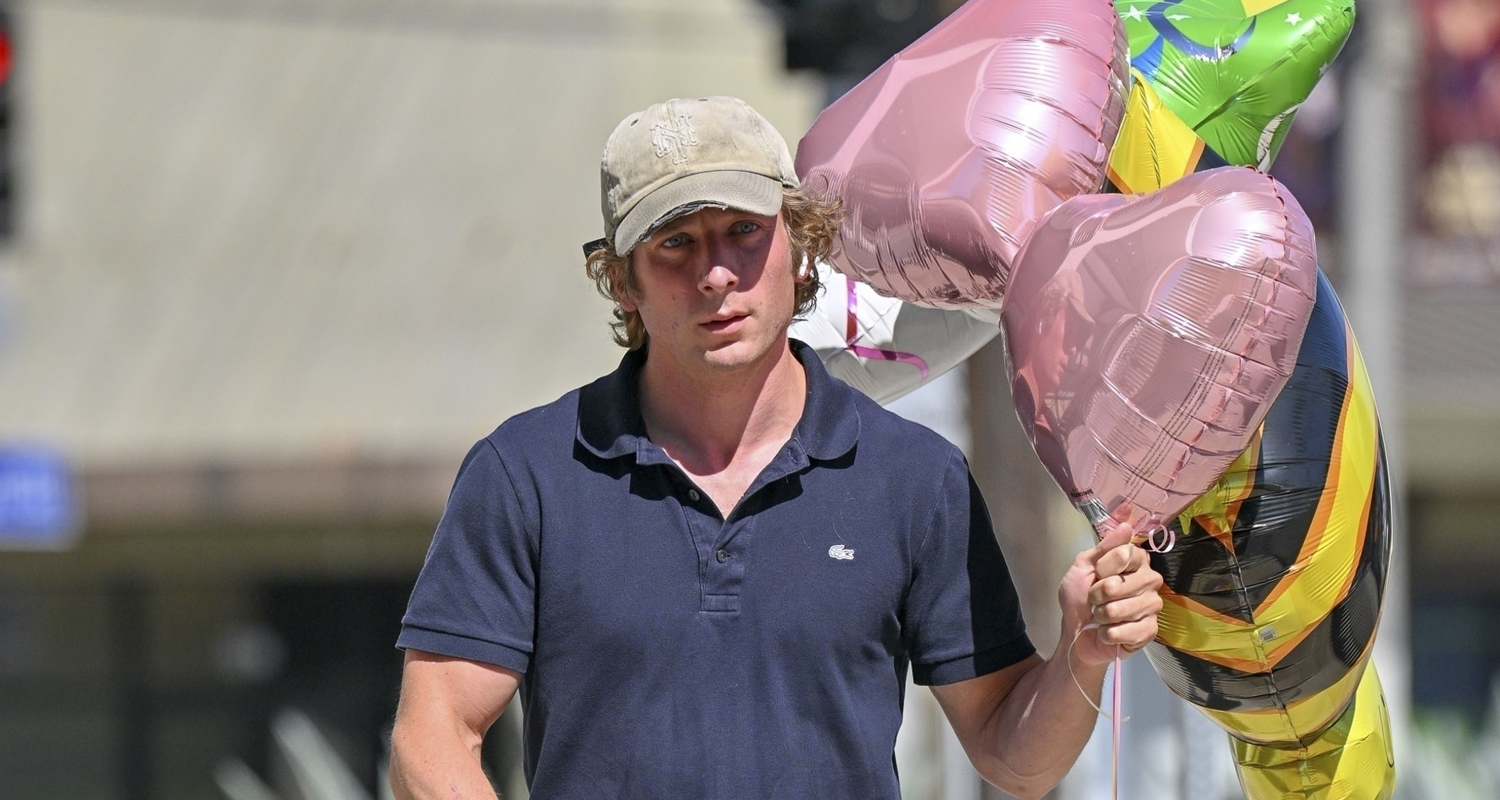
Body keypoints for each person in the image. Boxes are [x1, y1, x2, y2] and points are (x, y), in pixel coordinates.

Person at [388, 96, 1162, 800]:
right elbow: (432, 739)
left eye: (744, 232)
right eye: (675, 243)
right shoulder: (525, 474)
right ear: (623, 282)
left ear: (801, 248)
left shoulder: (914, 480)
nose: (716, 274)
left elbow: (1015, 759)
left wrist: (1081, 652)